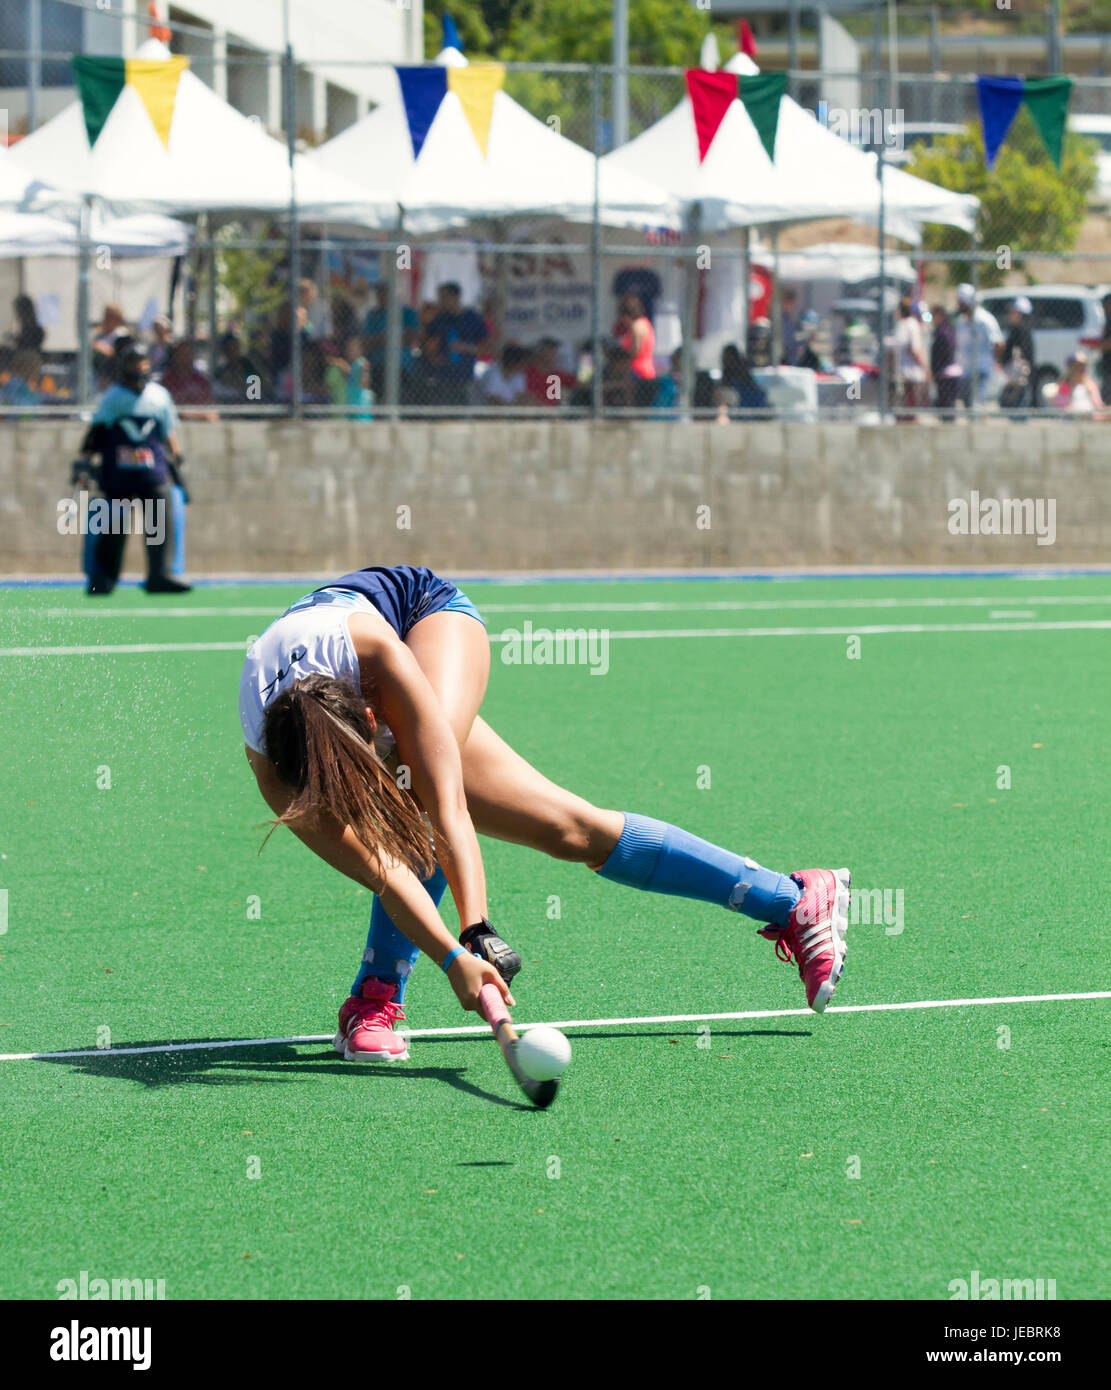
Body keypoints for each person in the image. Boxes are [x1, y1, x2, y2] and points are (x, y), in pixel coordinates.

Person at [238, 564, 852, 1060]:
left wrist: (475, 930)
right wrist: (454, 962)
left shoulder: (380, 659)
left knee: (418, 799)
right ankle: (792, 899)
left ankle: (372, 999)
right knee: (569, 829)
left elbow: (449, 806)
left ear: (373, 718)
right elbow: (385, 872)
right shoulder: (279, 774)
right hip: (327, 696)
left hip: (421, 616)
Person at [70, 345, 191, 596]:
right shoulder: (113, 397)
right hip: (118, 474)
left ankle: (160, 575)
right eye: (133, 364)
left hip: (152, 472)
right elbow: (98, 432)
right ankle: (103, 579)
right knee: (113, 525)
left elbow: (167, 431)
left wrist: (177, 460)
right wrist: (84, 462)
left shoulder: (159, 396)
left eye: (142, 364)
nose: (138, 370)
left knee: (160, 522)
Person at [420, 282, 491, 403]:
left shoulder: (473, 318)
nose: (441, 301)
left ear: (455, 297)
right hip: (441, 376)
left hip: (464, 376)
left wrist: (466, 348)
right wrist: (433, 356)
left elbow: (487, 347)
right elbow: (425, 341)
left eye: (444, 297)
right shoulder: (440, 319)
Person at [954, 283, 1003, 407]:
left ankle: (979, 423)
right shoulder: (962, 321)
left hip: (982, 368)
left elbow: (999, 343)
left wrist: (994, 361)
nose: (958, 305)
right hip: (965, 370)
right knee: (968, 405)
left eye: (960, 301)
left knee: (978, 404)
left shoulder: (984, 319)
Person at [997, 295, 1035, 414]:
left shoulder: (1018, 329)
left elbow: (1011, 349)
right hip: (1025, 366)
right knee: (1021, 390)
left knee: (1018, 391)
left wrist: (1002, 361)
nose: (1010, 315)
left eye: (1013, 312)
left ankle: (1017, 413)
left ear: (1019, 313)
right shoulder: (1027, 328)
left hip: (1019, 367)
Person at [893, 296, 929, 416]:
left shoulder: (906, 324)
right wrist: (925, 367)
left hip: (909, 370)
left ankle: (911, 418)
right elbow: (914, 349)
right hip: (909, 370)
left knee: (911, 399)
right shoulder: (908, 324)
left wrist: (924, 367)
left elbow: (913, 349)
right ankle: (910, 418)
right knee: (910, 400)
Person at [160, 340, 216, 413]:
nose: (186, 357)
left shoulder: (201, 380)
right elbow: (170, 407)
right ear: (175, 357)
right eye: (182, 354)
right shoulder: (168, 380)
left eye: (188, 353)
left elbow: (210, 404)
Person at [613, 293, 655, 381]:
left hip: (637, 371)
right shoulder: (645, 322)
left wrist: (619, 355)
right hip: (647, 369)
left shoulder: (636, 326)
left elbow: (636, 351)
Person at [524, 337, 577, 406]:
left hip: (553, 412)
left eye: (555, 351)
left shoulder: (557, 373)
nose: (555, 354)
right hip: (532, 410)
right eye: (551, 351)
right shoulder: (527, 372)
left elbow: (578, 384)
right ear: (540, 353)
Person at [930, 303, 960, 418]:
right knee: (949, 405)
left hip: (944, 372)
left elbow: (943, 352)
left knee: (945, 405)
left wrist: (936, 370)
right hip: (952, 371)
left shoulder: (941, 331)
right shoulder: (950, 328)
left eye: (933, 315)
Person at [1054, 351, 1104, 415]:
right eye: (1077, 366)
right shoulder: (1064, 386)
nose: (1081, 369)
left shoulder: (1090, 385)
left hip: (1091, 419)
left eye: (1083, 366)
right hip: (1071, 419)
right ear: (1070, 368)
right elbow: (1061, 407)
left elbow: (1098, 405)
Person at [720, 344, 767, 410]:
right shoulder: (726, 375)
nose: (726, 360)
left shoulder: (741, 372)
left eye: (728, 357)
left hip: (744, 398)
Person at [780, 287, 800, 366]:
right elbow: (788, 342)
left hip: (790, 360)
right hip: (785, 361)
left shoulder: (787, 317)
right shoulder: (781, 319)